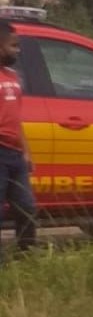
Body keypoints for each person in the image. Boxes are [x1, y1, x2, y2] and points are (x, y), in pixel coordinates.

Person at [0, 20, 36, 265]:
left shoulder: (13, 77)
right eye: (13, 46)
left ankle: (26, 257)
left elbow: (15, 117)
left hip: (16, 154)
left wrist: (26, 150)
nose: (18, 51)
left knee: (26, 207)